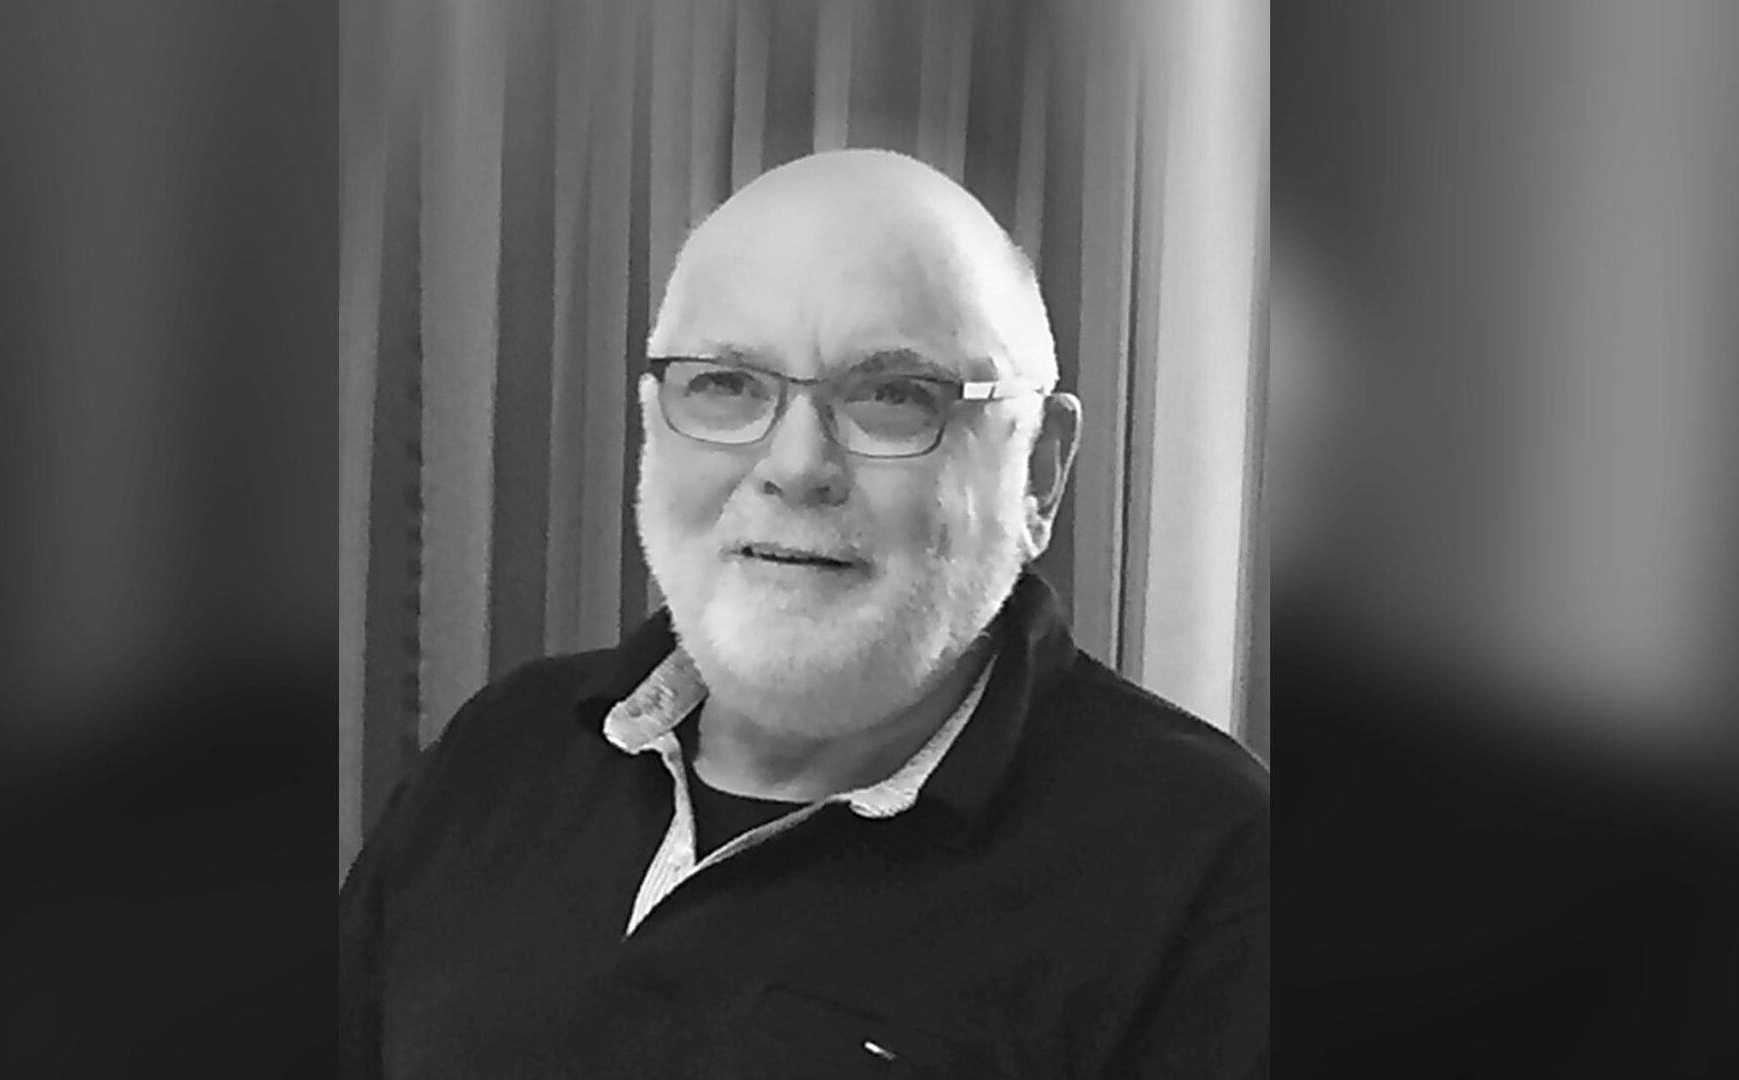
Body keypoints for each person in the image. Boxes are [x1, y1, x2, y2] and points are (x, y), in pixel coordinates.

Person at [339, 148, 1267, 1079]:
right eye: (726, 385)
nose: (794, 466)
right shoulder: (502, 751)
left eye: (894, 397)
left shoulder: (1216, 876)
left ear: (1039, 471)